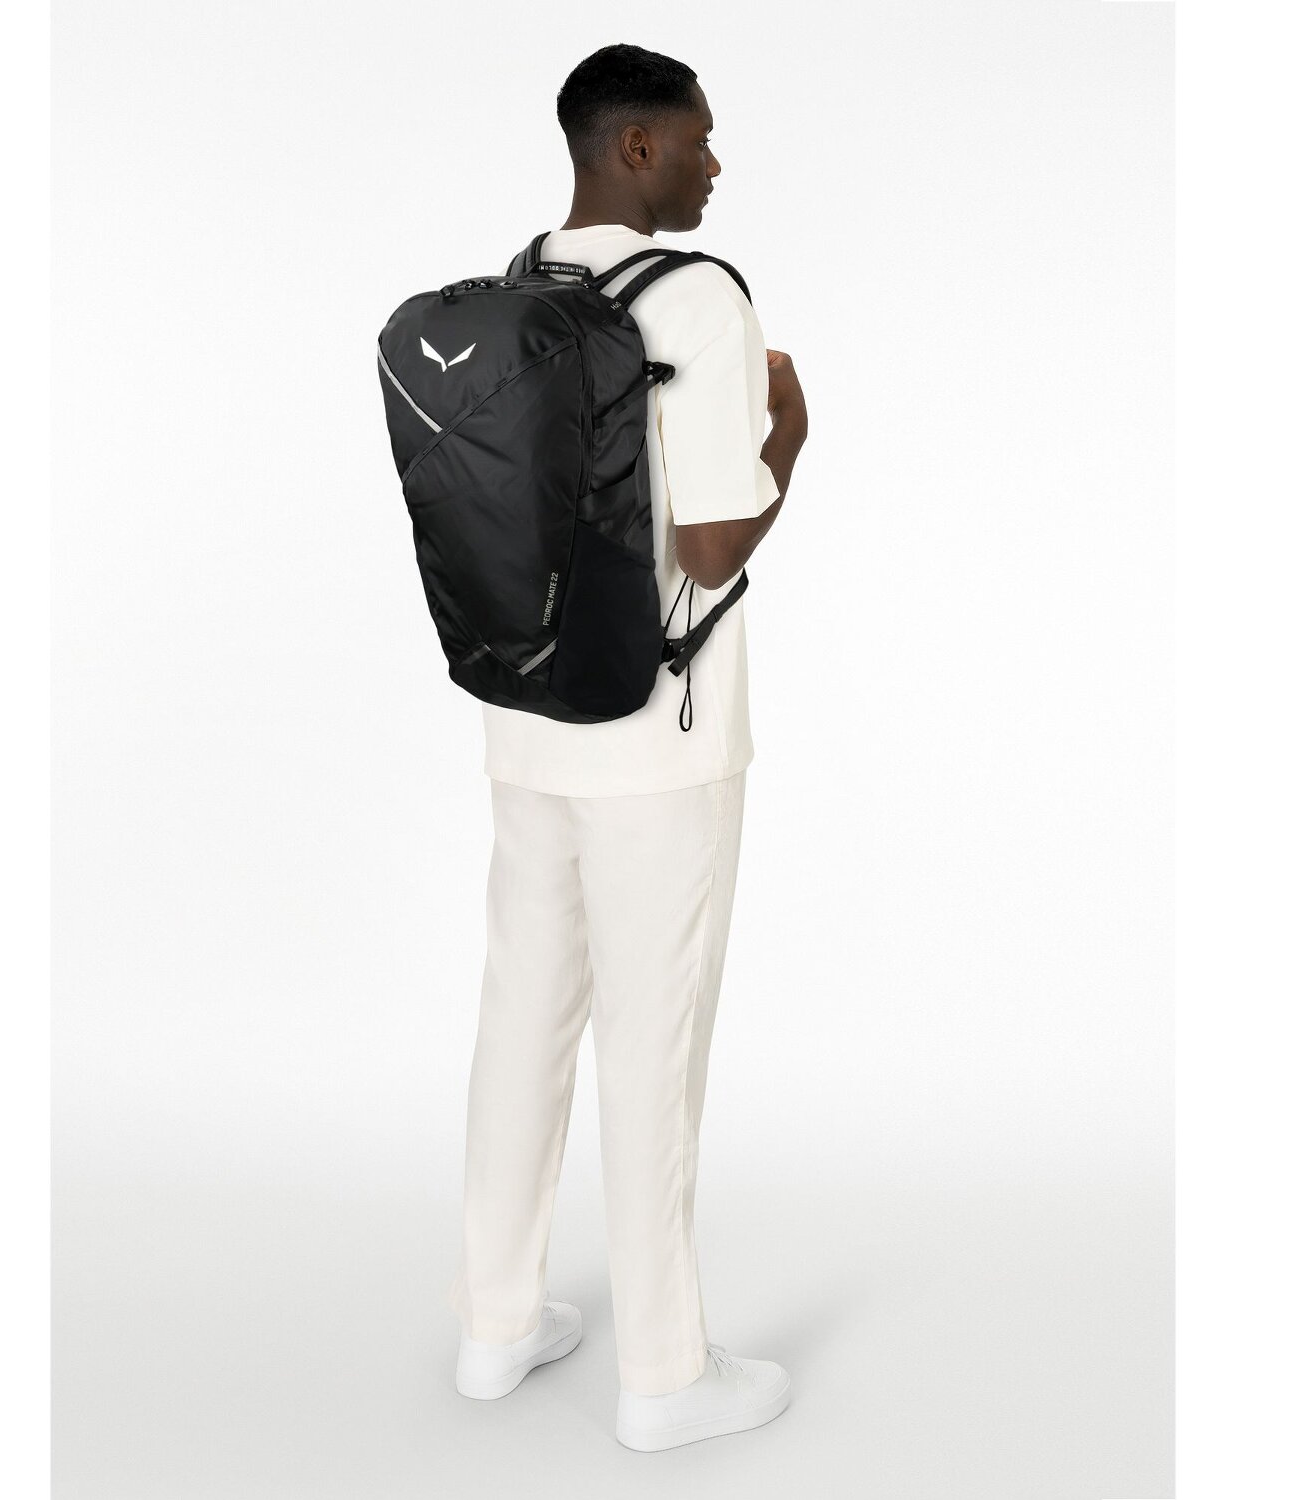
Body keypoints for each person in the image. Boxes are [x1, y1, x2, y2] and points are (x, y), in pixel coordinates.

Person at [446, 43, 809, 1453]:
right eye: (700, 139)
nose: (716, 163)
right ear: (638, 146)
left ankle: (495, 1326)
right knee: (653, 1051)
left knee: (521, 1022)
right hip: (660, 736)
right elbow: (711, 545)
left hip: (528, 720)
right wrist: (789, 433)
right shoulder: (699, 296)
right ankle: (666, 1376)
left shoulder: (521, 281)